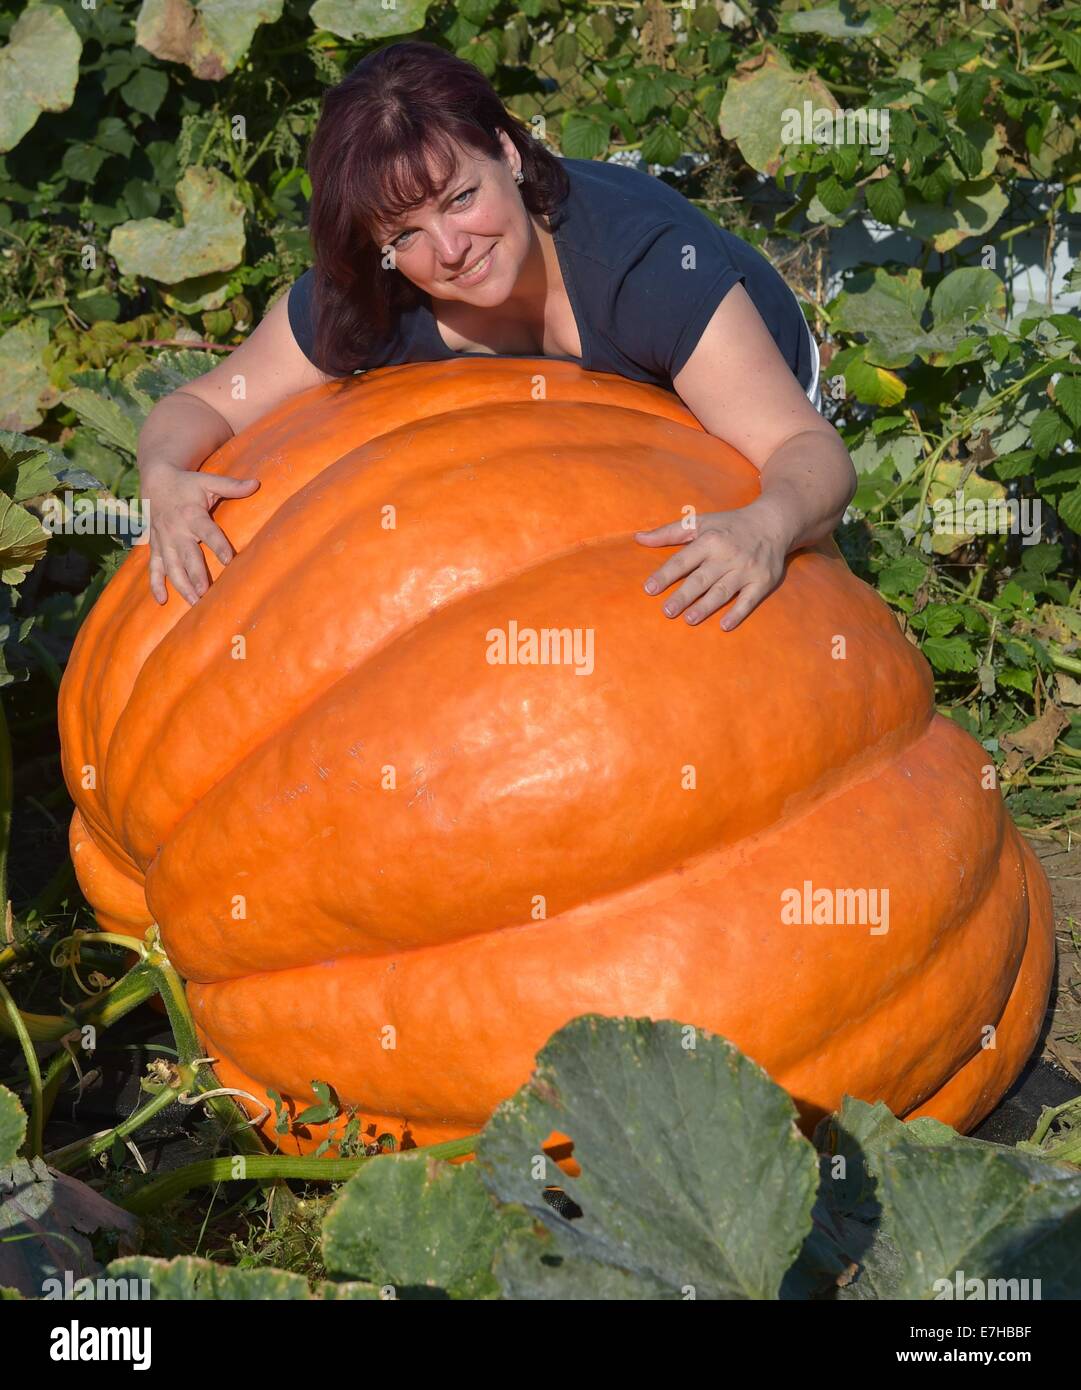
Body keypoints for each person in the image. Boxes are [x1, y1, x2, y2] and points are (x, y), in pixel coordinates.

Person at [138, 40, 856, 630]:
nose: (450, 249)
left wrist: (767, 525)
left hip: (719, 369)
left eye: (462, 198)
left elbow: (807, 452)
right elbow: (201, 405)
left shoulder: (647, 274)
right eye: (406, 231)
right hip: (574, 420)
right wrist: (164, 478)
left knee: (775, 582)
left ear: (510, 154)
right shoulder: (371, 295)